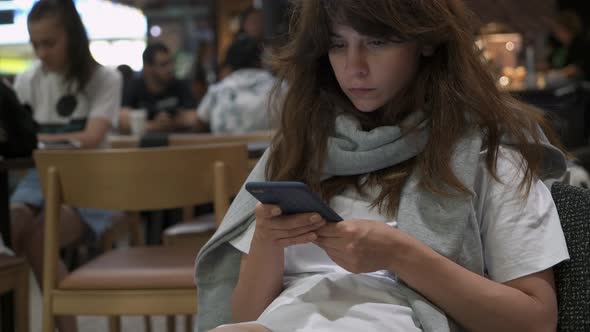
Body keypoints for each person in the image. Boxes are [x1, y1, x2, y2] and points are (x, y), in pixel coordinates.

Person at [195, 0, 571, 331]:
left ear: (425, 41)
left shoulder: (488, 154)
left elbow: (534, 321)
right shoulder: (299, 147)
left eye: (377, 42)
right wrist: (265, 241)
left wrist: (401, 255)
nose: (354, 67)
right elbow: (244, 317)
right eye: (338, 45)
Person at [9, 0, 121, 331]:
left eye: (48, 43)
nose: (41, 52)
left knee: (40, 238)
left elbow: (91, 137)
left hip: (90, 184)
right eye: (35, 43)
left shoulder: (105, 78)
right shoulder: (28, 79)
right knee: (10, 228)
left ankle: (64, 327)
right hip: (36, 178)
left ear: (72, 36)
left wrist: (35, 137)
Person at [191, 36, 278, 134]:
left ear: (229, 64)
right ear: (261, 60)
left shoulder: (217, 91)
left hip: (225, 149)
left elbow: (198, 127)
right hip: (272, 148)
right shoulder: (280, 87)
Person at [119, 42, 196, 133]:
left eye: (171, 63)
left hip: (176, 142)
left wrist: (171, 122)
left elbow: (194, 117)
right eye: (163, 65)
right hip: (143, 145)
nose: (170, 68)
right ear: (148, 68)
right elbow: (122, 121)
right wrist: (154, 125)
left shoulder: (180, 85)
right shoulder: (134, 87)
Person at [547, 10, 590, 80]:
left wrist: (558, 74)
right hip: (559, 83)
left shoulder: (580, 44)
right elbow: (549, 62)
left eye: (557, 28)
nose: (555, 32)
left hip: (574, 86)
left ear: (565, 28)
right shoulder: (560, 46)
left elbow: (578, 67)